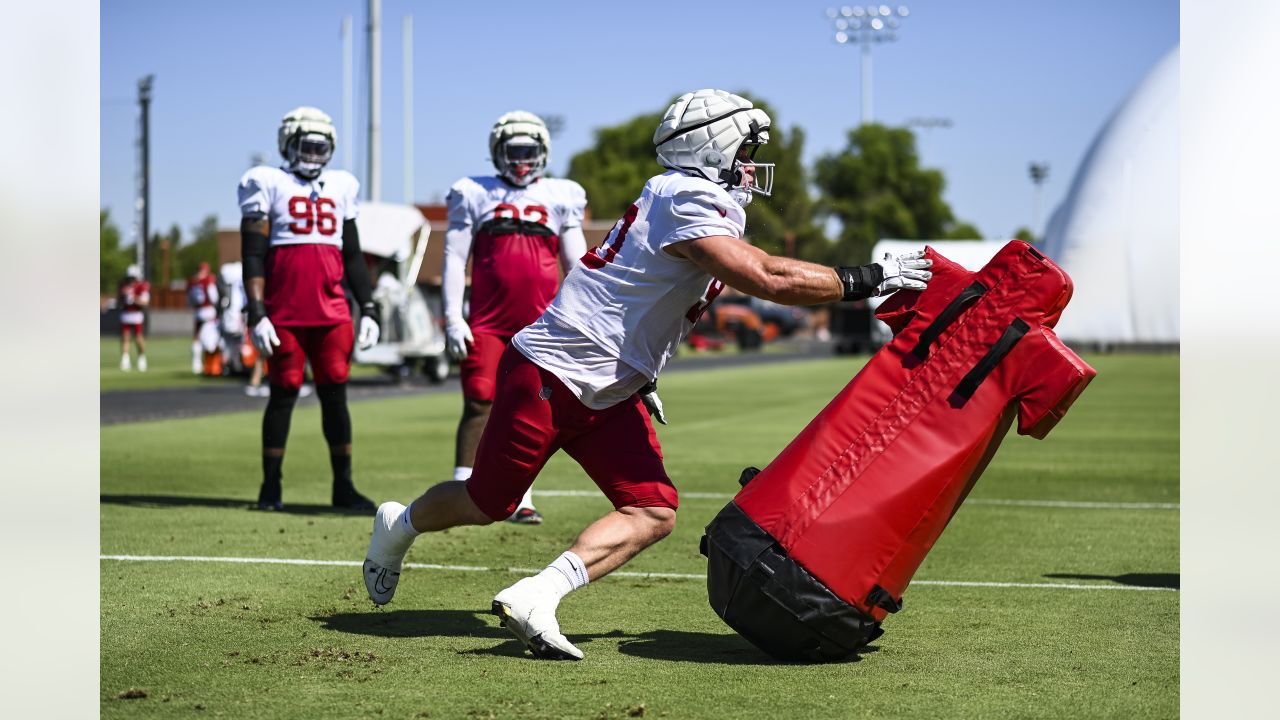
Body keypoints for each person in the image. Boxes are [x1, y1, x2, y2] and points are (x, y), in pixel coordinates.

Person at [361, 90, 932, 660]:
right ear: (711, 147)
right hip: (555, 369)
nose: (753, 164)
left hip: (614, 386)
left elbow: (646, 297)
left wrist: (645, 373)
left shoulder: (696, 200)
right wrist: (869, 276)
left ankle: (537, 594)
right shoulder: (684, 194)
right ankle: (400, 524)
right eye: (746, 148)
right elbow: (766, 277)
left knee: (653, 509)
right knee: (489, 502)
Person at [441, 111, 588, 524]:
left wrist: (585, 317)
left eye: (530, 152)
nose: (522, 161)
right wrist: (454, 317)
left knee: (530, 410)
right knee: (478, 399)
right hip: (487, 322)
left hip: (541, 326)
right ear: (497, 153)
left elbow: (576, 264)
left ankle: (521, 496)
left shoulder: (560, 195)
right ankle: (462, 488)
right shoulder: (475, 192)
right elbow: (454, 257)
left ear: (543, 153)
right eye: (514, 152)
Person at [238, 106, 382, 511]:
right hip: (284, 312)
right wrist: (257, 310)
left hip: (332, 311)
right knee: (282, 395)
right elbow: (253, 254)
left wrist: (369, 308)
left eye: (322, 146)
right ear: (287, 144)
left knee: (336, 395)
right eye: (307, 145)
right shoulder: (267, 183)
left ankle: (343, 486)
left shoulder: (341, 185)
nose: (315, 154)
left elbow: (353, 256)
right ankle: (270, 487)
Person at [188, 262, 220, 375]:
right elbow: (214, 298)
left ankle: (196, 363)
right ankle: (212, 365)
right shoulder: (208, 281)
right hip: (209, 312)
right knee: (212, 340)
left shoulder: (192, 282)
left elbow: (190, 300)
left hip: (198, 312)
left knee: (197, 338)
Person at [117, 264, 150, 372]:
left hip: (136, 314)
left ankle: (141, 357)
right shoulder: (123, 286)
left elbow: (145, 303)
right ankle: (125, 360)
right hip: (126, 314)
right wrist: (123, 297)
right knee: (125, 337)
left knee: (138, 338)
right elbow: (120, 301)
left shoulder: (142, 286)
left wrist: (134, 298)